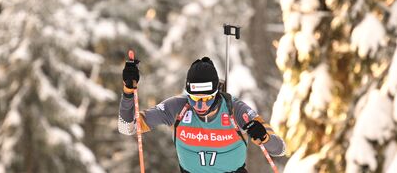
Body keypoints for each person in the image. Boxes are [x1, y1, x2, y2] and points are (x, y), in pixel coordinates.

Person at [118, 56, 286, 173]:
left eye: (207, 98)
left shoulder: (235, 109)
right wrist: (128, 91)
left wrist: (263, 137)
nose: (200, 105)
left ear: (217, 92)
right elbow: (127, 128)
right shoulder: (178, 107)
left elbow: (279, 149)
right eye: (195, 98)